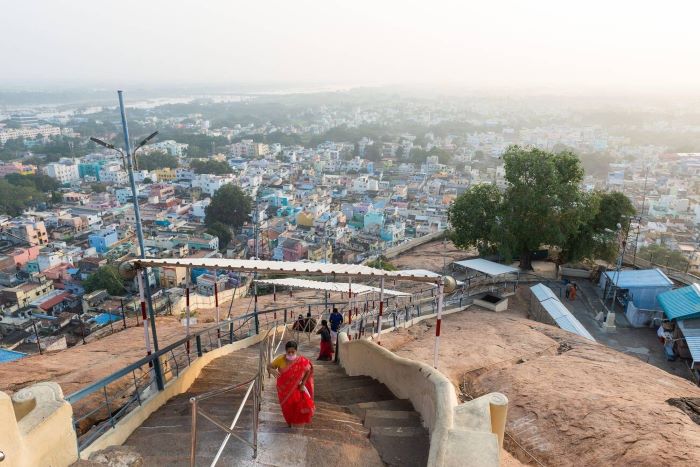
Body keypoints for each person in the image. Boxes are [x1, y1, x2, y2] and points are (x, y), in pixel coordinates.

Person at [268, 341, 315, 427]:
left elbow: (308, 370)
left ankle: (295, 420)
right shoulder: (280, 359)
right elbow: (269, 366)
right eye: (288, 352)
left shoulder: (301, 360)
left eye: (292, 352)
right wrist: (271, 370)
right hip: (282, 388)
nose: (290, 353)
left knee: (296, 404)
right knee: (286, 406)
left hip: (296, 387)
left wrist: (303, 384)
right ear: (285, 351)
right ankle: (289, 421)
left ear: (296, 351)